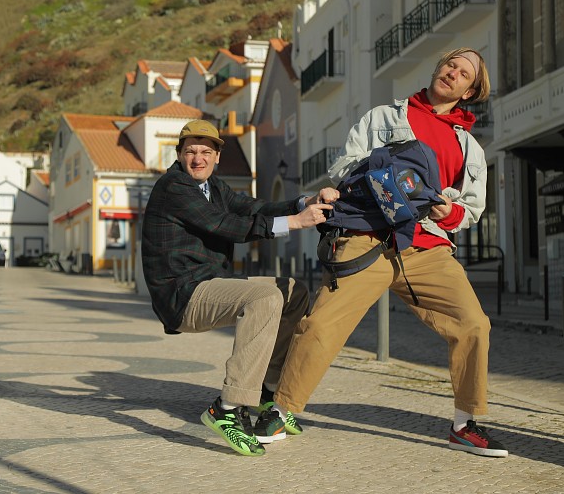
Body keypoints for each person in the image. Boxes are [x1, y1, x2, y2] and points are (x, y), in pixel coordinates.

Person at [270, 47, 509, 458]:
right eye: (450, 63)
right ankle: (280, 410)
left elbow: (469, 210)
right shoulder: (384, 118)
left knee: (473, 324)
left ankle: (464, 423)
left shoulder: (470, 148)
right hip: (370, 235)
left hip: (427, 247)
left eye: (464, 73)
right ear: (438, 66)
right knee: (323, 325)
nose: (452, 72)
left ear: (470, 91)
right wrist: (384, 177)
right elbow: (345, 165)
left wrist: (445, 209)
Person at [141, 119, 336, 456]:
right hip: (182, 293)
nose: (198, 158)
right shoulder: (174, 187)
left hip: (209, 283)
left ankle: (266, 391)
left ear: (217, 156)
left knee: (293, 291)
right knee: (264, 298)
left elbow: (252, 207)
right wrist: (295, 222)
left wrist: (302, 203)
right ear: (179, 155)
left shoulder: (214, 187)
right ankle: (228, 408)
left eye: (205, 151)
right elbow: (226, 225)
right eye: (190, 152)